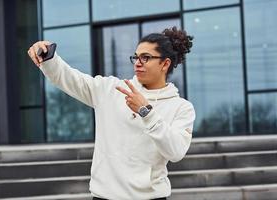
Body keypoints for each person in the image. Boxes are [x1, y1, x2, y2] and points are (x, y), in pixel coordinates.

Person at [28, 26, 195, 200]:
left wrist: (146, 112)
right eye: (136, 57)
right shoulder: (111, 89)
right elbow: (71, 80)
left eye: (146, 58)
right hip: (104, 196)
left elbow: (175, 152)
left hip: (151, 197)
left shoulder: (181, 107)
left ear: (165, 63)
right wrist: (49, 58)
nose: (138, 63)